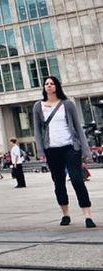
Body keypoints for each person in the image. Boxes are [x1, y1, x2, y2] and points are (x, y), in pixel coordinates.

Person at [32, 76, 95, 228]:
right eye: (46, 84)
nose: (49, 86)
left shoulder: (68, 104)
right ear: (44, 87)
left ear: (57, 86)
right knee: (58, 182)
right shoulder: (38, 106)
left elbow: (78, 128)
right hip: (51, 149)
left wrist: (86, 149)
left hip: (70, 147)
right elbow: (37, 131)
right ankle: (65, 214)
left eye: (52, 83)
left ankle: (87, 216)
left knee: (77, 180)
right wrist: (40, 150)